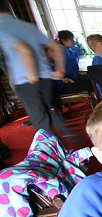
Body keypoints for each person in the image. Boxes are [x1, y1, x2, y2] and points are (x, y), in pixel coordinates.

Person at [0, 4, 72, 135]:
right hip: (46, 78)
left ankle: (51, 152)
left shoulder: (1, 28)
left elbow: (25, 50)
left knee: (40, 120)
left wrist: (32, 74)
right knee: (49, 108)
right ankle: (68, 134)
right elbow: (57, 48)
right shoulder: (28, 26)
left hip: (27, 81)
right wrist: (60, 71)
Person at [57, 30, 93, 94]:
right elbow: (70, 69)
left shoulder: (69, 50)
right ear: (63, 40)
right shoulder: (61, 52)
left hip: (74, 77)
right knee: (92, 83)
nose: (73, 41)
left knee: (92, 78)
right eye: (70, 39)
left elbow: (76, 60)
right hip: (68, 81)